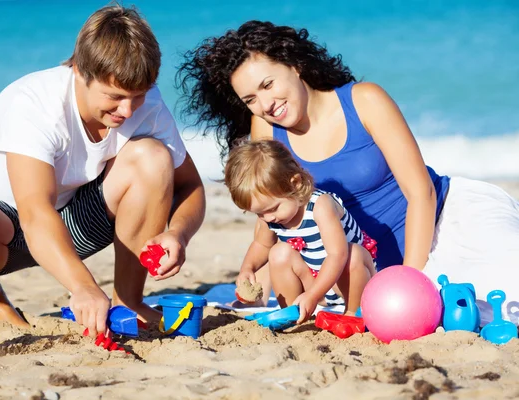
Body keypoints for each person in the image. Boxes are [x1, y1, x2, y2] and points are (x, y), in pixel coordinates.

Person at [177, 20, 519, 324]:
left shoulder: (364, 100)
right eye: (250, 99)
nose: (266, 105)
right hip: (367, 260)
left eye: (268, 84)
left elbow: (421, 193)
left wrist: (412, 277)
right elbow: (272, 204)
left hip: (447, 219)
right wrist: (256, 271)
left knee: (502, 301)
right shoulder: (265, 127)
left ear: (295, 66)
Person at [0, 5, 205, 337]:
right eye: (115, 97)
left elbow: (190, 186)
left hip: (72, 223)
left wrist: (177, 235)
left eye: (138, 96)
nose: (128, 109)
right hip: (1, 234)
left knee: (153, 158)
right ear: (78, 71)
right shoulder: (35, 103)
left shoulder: (147, 106)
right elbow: (34, 212)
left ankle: (128, 300)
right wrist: (83, 287)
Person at [225, 139, 376, 322]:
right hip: (313, 282)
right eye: (259, 213)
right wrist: (247, 268)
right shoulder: (270, 217)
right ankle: (293, 312)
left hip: (348, 280)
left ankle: (352, 314)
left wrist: (312, 294)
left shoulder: (321, 206)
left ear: (295, 184)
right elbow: (262, 244)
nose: (269, 218)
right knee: (279, 253)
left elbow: (338, 255)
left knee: (353, 254)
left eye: (273, 208)